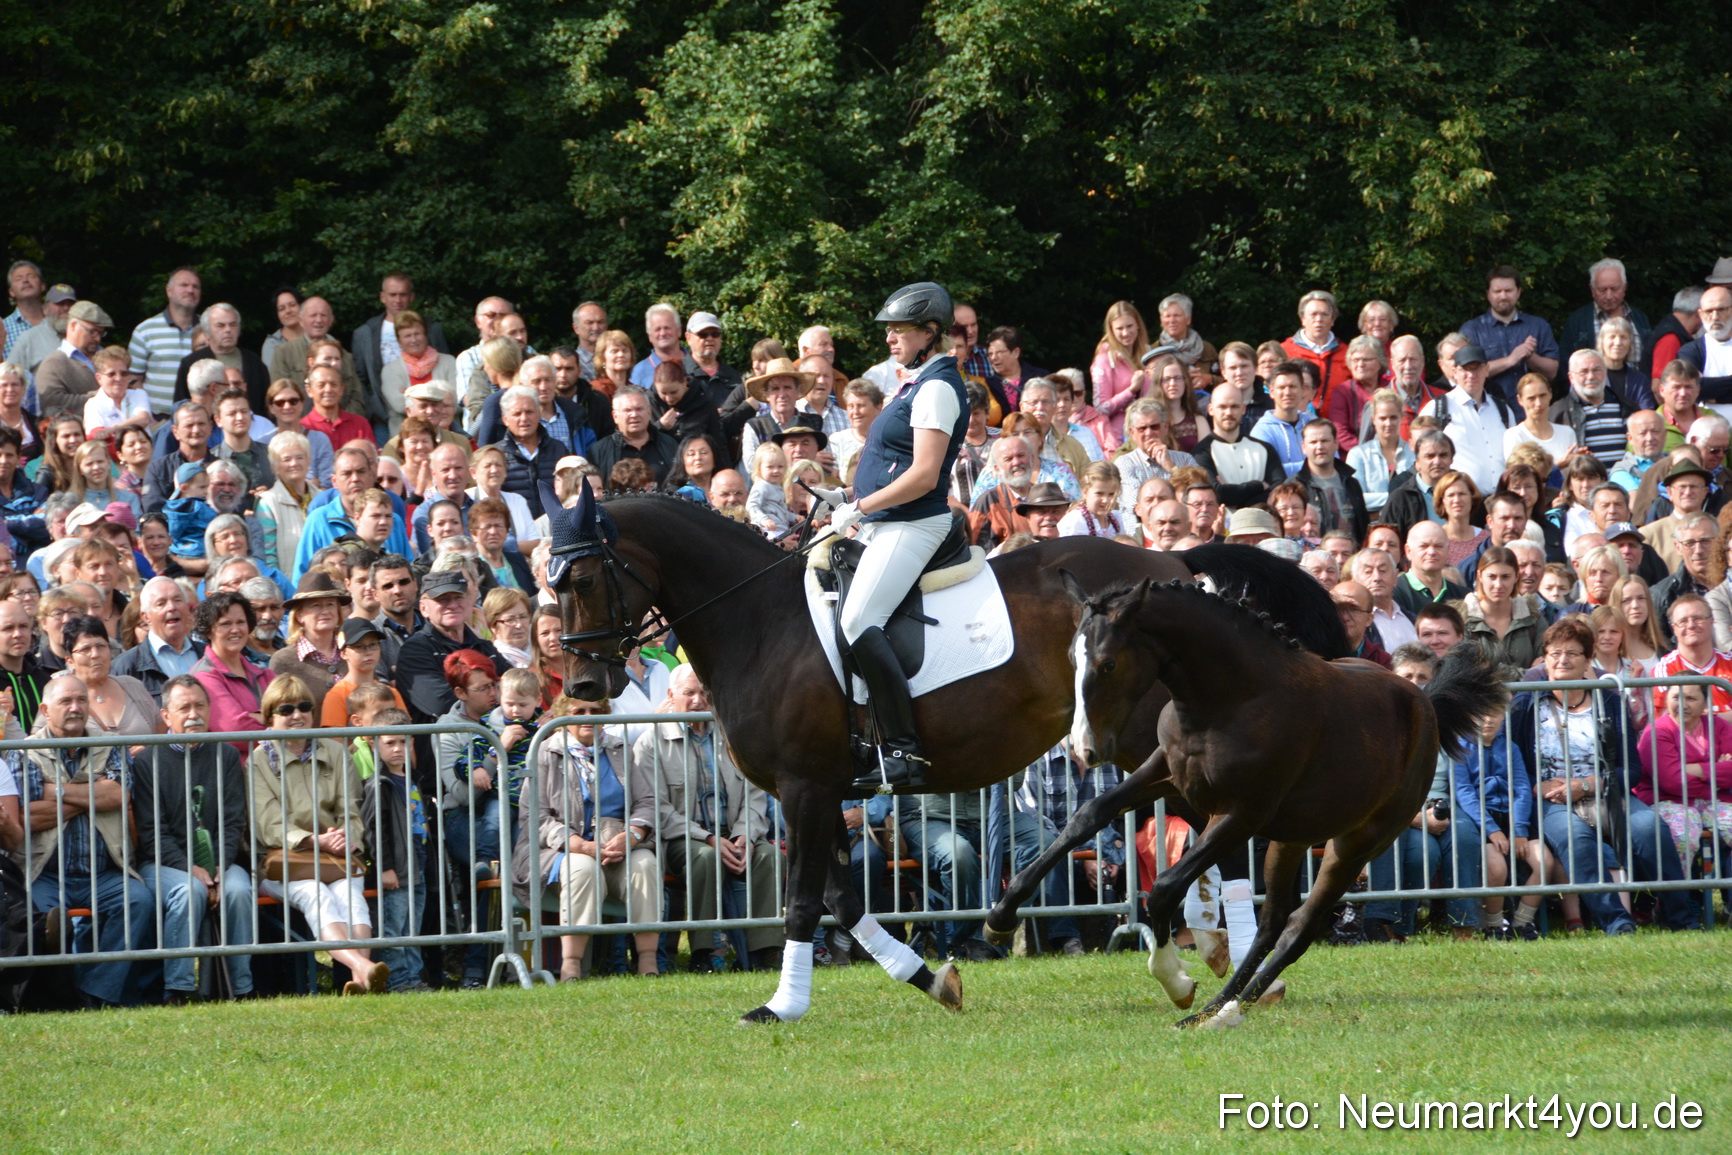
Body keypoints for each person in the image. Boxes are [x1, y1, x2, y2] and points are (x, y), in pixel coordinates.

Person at [826, 283, 970, 791]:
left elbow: (926, 475)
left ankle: (904, 751)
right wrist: (846, 493)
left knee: (861, 617)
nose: (890, 338)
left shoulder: (935, 388)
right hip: (883, 520)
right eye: (887, 329)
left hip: (912, 523)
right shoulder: (914, 383)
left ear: (930, 333)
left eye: (899, 329)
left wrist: (859, 506)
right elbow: (893, 462)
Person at [1511, 618, 1700, 934]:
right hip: (1550, 799)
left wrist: (1586, 785)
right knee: (1577, 838)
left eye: (1573, 653)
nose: (1562, 660)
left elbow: (1633, 769)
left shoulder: (1609, 700)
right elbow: (1511, 763)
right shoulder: (1526, 703)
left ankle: (1681, 917)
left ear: (1588, 661)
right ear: (1544, 659)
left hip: (1605, 790)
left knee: (1649, 828)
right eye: (1555, 653)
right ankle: (1617, 921)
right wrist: (1533, 785)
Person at [16, 674, 154, 1007]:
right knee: (37, 915)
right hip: (45, 872)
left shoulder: (109, 744)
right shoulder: (26, 752)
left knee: (138, 900)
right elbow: (27, 817)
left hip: (105, 872)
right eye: (66, 702)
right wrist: (92, 795)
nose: (76, 708)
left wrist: (57, 793)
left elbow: (117, 795)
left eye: (81, 700)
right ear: (45, 710)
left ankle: (94, 994)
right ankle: (54, 998)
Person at [248, 673, 389, 993]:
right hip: (286, 862)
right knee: (316, 894)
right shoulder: (257, 761)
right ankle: (362, 967)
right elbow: (268, 823)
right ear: (270, 717)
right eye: (286, 710)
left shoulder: (336, 752)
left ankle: (360, 979)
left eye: (304, 706)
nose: (297, 715)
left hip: (336, 855)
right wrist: (313, 840)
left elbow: (352, 810)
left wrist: (346, 838)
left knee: (351, 896)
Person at [637, 664, 781, 972]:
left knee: (769, 855)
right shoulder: (651, 741)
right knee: (704, 857)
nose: (698, 700)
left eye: (704, 692)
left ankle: (767, 950)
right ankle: (707, 951)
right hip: (682, 838)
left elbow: (756, 793)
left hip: (733, 832)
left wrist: (745, 835)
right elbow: (656, 807)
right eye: (689, 693)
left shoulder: (735, 734)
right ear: (671, 695)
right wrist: (709, 838)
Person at [131, 674, 256, 1003]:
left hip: (218, 860)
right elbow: (151, 831)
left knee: (239, 890)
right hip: (161, 863)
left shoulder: (226, 755)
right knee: (188, 891)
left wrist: (218, 867)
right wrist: (191, 869)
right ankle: (180, 989)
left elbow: (233, 821)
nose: (193, 714)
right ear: (166, 716)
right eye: (183, 707)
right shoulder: (147, 761)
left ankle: (241, 988)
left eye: (200, 705)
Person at [359, 707, 430, 992]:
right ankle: (399, 980)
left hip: (418, 865)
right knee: (394, 926)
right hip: (396, 869)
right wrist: (385, 867)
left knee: (412, 926)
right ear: (374, 744)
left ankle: (414, 978)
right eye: (390, 742)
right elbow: (375, 830)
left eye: (403, 741)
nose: (398, 748)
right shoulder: (379, 784)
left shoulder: (413, 780)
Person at [1636, 683, 1732, 884]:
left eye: (1691, 698)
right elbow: (1673, 782)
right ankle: (1677, 903)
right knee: (1682, 836)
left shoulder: (1719, 726)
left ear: (1706, 703)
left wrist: (1692, 769)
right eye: (1676, 698)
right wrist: (1716, 772)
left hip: (1714, 800)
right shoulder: (1657, 731)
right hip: (1668, 800)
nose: (1682, 704)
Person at [1460, 265, 1560, 403]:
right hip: (1487, 411)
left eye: (1508, 290)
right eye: (1497, 291)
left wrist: (1530, 356)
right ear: (1488, 294)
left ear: (1518, 292)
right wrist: (1510, 360)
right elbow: (1463, 374)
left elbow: (1552, 372)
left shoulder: (1538, 326)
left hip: (1530, 412)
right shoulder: (1472, 330)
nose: (1503, 296)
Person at [59, 615, 157, 739]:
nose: (95, 654)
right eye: (85, 649)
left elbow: (162, 736)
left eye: (100, 646)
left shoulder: (133, 686)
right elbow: (40, 745)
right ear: (70, 660)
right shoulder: (60, 695)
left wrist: (147, 751)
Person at [1455, 545, 1545, 680]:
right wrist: (1527, 673)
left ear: (1516, 577)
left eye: (1505, 577)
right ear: (1480, 576)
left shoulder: (1533, 617)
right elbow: (1469, 670)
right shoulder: (1461, 619)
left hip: (1525, 699)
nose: (1498, 585)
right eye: (1492, 577)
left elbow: (1546, 665)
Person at [110, 576, 204, 704]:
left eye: (177, 600)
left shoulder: (208, 655)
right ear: (146, 617)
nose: (172, 607)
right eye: (161, 603)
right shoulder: (126, 667)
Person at [1652, 593, 1732, 715]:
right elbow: (1669, 722)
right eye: (1683, 621)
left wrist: (1701, 718)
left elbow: (1685, 720)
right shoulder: (1664, 669)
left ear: (1711, 621)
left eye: (1697, 619)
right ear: (1674, 628)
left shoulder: (1729, 663)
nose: (1691, 625)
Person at [321, 617, 407, 727]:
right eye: (359, 647)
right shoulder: (337, 695)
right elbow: (333, 742)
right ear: (343, 653)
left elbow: (406, 736)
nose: (368, 652)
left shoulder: (391, 692)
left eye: (373, 645)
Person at [1089, 301, 1151, 447]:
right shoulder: (1103, 360)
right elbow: (1100, 408)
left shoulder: (1148, 354)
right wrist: (1131, 390)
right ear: (1111, 330)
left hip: (1150, 430)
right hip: (1120, 438)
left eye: (1129, 326)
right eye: (1119, 328)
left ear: (1138, 325)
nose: (1125, 333)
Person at [1345, 389, 1415, 516]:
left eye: (1393, 417)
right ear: (1373, 419)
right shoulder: (1358, 455)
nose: (1388, 423)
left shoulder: (1414, 453)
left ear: (1401, 417)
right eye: (1383, 418)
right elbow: (1355, 497)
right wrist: (1398, 497)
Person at [264, 377, 335, 489]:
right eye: (280, 402)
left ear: (302, 404)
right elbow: (265, 485)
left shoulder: (320, 440)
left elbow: (328, 484)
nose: (287, 406)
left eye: (293, 401)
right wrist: (311, 485)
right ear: (271, 408)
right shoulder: (262, 443)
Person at [1280, 289, 1349, 403]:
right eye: (1313, 314)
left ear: (1333, 320)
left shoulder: (1347, 354)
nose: (1318, 320)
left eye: (1324, 314)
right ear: (1303, 319)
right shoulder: (1285, 351)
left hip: (1337, 419)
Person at [1504, 371, 1576, 461]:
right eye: (1531, 398)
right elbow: (1519, 474)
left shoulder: (1567, 433)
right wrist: (1558, 467)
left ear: (1550, 394)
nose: (1538, 403)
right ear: (1520, 400)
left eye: (1542, 396)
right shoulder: (1514, 435)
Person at [1057, 461, 1124, 538]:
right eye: (1099, 493)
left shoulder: (1117, 519)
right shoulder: (1076, 521)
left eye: (1111, 494)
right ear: (1085, 492)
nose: (1105, 500)